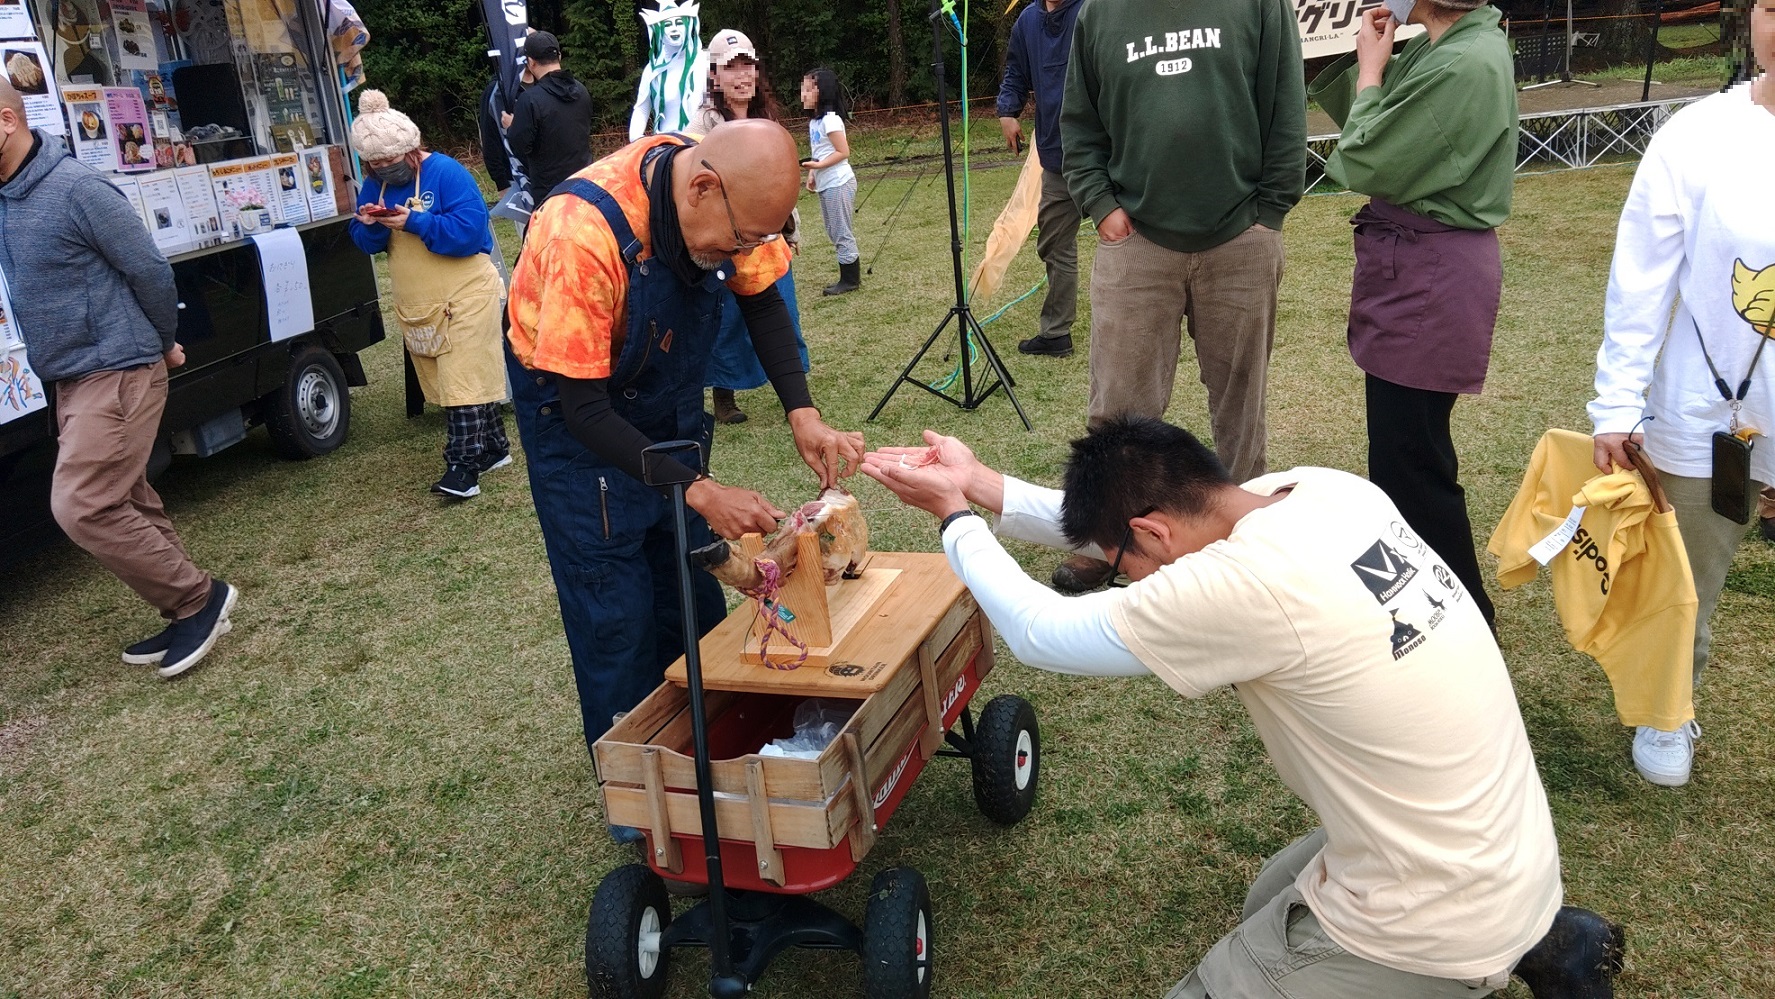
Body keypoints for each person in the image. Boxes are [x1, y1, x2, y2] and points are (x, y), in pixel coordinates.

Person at [861, 418, 1620, 998]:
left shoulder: (1244, 585)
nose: (1128, 580)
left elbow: (1036, 630)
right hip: (1504, 844)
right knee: (1272, 890)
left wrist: (956, 519)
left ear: (1153, 532)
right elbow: (1122, 519)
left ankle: (1480, 957)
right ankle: (1546, 939)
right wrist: (986, 484)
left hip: (1435, 908)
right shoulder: (1321, 489)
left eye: (1120, 567)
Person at [505, 119, 865, 759]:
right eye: (739, 241)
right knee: (616, 618)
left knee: (691, 593)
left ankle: (714, 752)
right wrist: (700, 490)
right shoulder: (579, 234)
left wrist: (802, 413)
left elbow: (760, 301)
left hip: (663, 403)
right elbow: (584, 409)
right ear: (701, 189)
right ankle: (643, 805)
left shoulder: (729, 200)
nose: (742, 255)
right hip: (574, 421)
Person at [1053, 0, 1306, 593]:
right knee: (1117, 407)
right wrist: (1103, 207)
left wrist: (1270, 212)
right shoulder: (1099, 14)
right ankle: (1109, 539)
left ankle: (1247, 547)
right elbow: (1079, 125)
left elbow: (1286, 109)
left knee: (1241, 404)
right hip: (1136, 243)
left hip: (1241, 239)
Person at [1590, 0, 1775, 787]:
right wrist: (1616, 403)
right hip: (1712, 408)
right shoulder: (1697, 137)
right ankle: (1669, 707)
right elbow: (1640, 281)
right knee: (1687, 578)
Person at [0, 79, 234, 679]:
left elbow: (152, 272)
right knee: (126, 497)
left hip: (118, 367)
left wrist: (158, 346)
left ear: (6, 120)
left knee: (82, 504)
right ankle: (187, 608)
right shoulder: (8, 195)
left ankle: (200, 599)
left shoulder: (76, 188)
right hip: (72, 376)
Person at [1307, 0, 1517, 630]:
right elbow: (1385, 132)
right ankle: (1431, 607)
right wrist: (1365, 64)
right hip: (1423, 266)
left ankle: (1463, 623)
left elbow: (1369, 158)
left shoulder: (1465, 62)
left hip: (1432, 274)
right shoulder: (1443, 46)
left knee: (1412, 463)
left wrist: (1370, 72)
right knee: (1405, 453)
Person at [347, 89, 511, 499]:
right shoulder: (373, 185)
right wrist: (369, 224)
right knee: (456, 380)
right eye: (376, 164)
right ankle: (494, 448)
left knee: (463, 380)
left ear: (410, 148)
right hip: (422, 302)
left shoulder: (448, 173)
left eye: (391, 161)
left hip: (467, 293)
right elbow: (365, 245)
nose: (385, 169)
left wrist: (416, 223)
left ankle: (462, 469)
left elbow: (473, 234)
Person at [692, 28, 811, 426]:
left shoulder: (767, 120)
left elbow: (780, 179)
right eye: (731, 68)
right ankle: (724, 395)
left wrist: (790, 230)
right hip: (728, 242)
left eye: (748, 66)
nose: (742, 76)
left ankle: (793, 396)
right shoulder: (703, 126)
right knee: (726, 321)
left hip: (769, 240)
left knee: (782, 316)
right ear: (715, 76)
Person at [996, 0, 1085, 358]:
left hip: (1110, 152)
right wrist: (1007, 110)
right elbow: (1016, 70)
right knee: (1054, 243)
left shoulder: (1094, 10)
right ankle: (1056, 333)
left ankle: (1143, 322)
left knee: (1131, 238)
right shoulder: (1028, 21)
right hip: (1056, 155)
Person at [506, 31, 594, 209]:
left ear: (530, 62)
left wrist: (512, 126)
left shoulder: (529, 100)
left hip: (551, 195)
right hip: (586, 184)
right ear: (559, 56)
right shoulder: (582, 90)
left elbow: (521, 148)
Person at [800, 68, 860, 296]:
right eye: (802, 89)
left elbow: (843, 151)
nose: (803, 94)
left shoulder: (831, 120)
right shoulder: (815, 122)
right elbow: (820, 151)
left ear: (822, 92)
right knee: (833, 230)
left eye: (808, 89)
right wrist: (813, 174)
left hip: (839, 181)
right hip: (827, 182)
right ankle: (848, 275)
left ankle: (850, 279)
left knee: (840, 231)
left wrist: (817, 166)